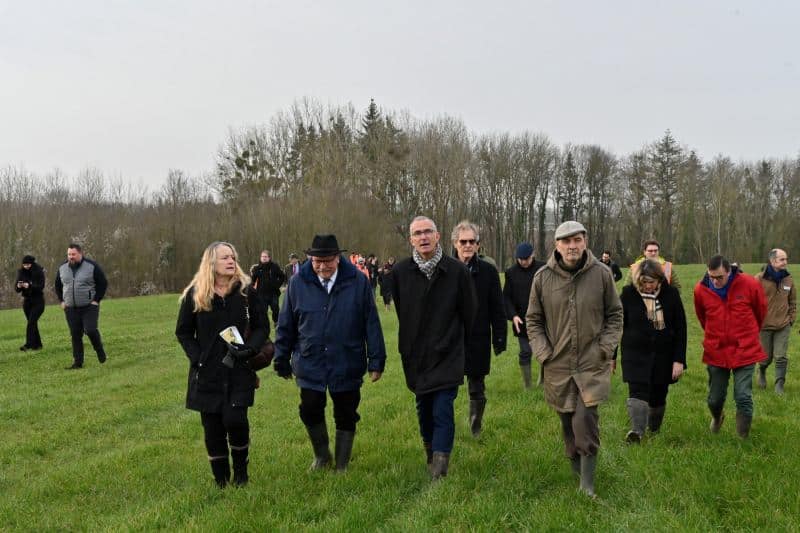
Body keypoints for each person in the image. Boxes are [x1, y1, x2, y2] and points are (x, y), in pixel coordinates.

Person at [526, 221, 622, 497]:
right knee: (568, 422)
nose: (572, 246)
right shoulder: (542, 278)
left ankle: (587, 486)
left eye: (577, 240)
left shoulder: (601, 274)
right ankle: (577, 469)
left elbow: (615, 315)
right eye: (566, 241)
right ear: (556, 245)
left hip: (592, 363)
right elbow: (533, 320)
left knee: (585, 420)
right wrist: (544, 353)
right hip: (558, 365)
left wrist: (605, 348)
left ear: (585, 242)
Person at [273, 234, 386, 471]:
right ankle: (322, 456)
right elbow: (286, 324)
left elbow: (371, 323)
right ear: (310, 259)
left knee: (346, 411)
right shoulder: (297, 283)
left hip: (346, 358)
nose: (323, 267)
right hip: (309, 359)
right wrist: (281, 358)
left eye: (328, 261)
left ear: (338, 258)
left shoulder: (357, 281)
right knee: (310, 408)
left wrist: (376, 360)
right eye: (317, 261)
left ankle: (342, 464)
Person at [389, 216, 477, 479]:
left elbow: (470, 312)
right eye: (418, 233)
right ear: (411, 240)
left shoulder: (457, 271)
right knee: (424, 409)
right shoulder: (400, 272)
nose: (423, 237)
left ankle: (440, 466)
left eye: (428, 231)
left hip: (448, 352)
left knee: (442, 408)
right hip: (416, 355)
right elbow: (403, 311)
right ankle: (431, 452)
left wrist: (458, 344)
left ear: (438, 236)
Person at [175, 241, 268, 488]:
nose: (231, 261)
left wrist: (249, 350)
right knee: (212, 428)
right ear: (211, 262)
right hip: (207, 373)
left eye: (233, 257)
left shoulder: (247, 292)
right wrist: (198, 358)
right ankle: (221, 481)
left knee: (236, 421)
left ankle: (241, 476)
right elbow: (183, 332)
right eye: (225, 257)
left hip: (239, 369)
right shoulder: (196, 294)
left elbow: (262, 327)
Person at [694, 255, 766, 438]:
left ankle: (742, 438)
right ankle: (717, 417)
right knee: (714, 399)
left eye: (719, 277)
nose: (715, 281)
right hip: (716, 350)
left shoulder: (749, 284)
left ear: (729, 271)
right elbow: (702, 318)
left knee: (743, 396)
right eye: (711, 277)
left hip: (745, 348)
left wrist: (749, 335)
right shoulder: (700, 290)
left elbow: (760, 311)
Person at [619, 259, 686, 442]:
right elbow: (616, 326)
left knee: (658, 395)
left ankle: (654, 430)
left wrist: (679, 360)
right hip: (634, 354)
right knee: (637, 392)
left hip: (663, 355)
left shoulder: (671, 294)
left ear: (659, 280)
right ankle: (637, 432)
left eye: (651, 282)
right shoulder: (628, 294)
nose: (648, 286)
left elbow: (681, 328)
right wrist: (611, 356)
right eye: (643, 282)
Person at [451, 221, 506, 437]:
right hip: (449, 338)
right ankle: (445, 427)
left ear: (478, 245)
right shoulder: (445, 269)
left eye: (471, 241)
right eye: (463, 241)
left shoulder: (488, 272)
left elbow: (497, 307)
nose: (467, 245)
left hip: (478, 337)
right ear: (455, 243)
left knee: (476, 385)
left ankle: (475, 426)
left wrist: (499, 337)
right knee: (446, 386)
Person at [54, 243, 109, 369]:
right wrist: (61, 301)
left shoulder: (91, 266)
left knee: (90, 330)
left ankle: (99, 350)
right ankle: (77, 363)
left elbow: (103, 283)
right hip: (70, 308)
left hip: (89, 307)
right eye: (69, 254)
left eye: (73, 254)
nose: (71, 257)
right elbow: (57, 285)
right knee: (75, 334)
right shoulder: (62, 268)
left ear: (80, 253)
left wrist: (96, 300)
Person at [503, 242, 546, 389]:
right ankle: (527, 386)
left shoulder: (543, 269)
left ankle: (543, 381)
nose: (523, 262)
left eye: (526, 259)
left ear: (532, 255)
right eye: (520, 259)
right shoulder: (511, 273)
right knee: (525, 351)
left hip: (542, 318)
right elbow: (506, 298)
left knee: (544, 350)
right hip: (521, 320)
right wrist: (513, 315)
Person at [755, 248, 795, 395]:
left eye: (786, 259)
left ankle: (779, 385)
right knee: (765, 358)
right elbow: (750, 301)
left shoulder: (788, 279)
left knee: (781, 356)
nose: (785, 262)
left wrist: (791, 319)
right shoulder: (759, 279)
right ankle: (762, 370)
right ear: (772, 261)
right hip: (764, 326)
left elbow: (793, 301)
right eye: (782, 259)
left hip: (783, 325)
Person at [15, 255, 46, 351]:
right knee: (32, 323)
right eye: (24, 265)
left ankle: (28, 344)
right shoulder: (21, 272)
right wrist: (19, 286)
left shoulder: (39, 272)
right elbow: (17, 289)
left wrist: (29, 286)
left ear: (32, 263)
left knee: (31, 322)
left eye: (28, 264)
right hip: (27, 302)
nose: (26, 266)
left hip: (38, 301)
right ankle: (38, 345)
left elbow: (41, 287)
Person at [250, 250, 286, 325]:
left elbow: (282, 276)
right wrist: (252, 289)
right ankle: (264, 325)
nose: (264, 258)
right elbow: (253, 280)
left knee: (275, 309)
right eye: (262, 257)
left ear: (269, 258)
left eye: (265, 257)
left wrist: (277, 285)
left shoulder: (274, 266)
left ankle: (276, 322)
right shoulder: (257, 268)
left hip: (273, 293)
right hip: (261, 294)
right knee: (262, 311)